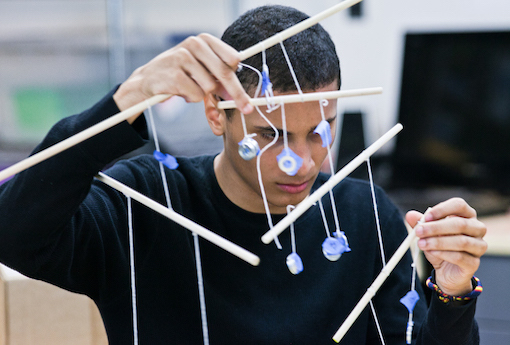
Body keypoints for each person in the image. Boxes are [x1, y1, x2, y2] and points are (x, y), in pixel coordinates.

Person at [0, 5, 487, 345]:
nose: (300, 159)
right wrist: (128, 99)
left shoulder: (362, 216)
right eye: (270, 134)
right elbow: (13, 232)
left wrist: (453, 290)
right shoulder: (143, 204)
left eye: (321, 129)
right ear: (217, 114)